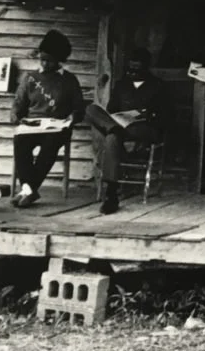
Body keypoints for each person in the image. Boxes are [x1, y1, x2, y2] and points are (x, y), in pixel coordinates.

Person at [85, 48, 168, 215]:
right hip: (120, 126)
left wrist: (147, 115)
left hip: (145, 128)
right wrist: (119, 119)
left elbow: (166, 116)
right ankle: (111, 194)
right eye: (129, 69)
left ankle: (110, 191)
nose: (132, 73)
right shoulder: (121, 85)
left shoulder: (158, 86)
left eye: (136, 70)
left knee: (112, 135)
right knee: (92, 111)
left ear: (145, 68)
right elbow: (111, 110)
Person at [11, 29, 85, 208]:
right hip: (32, 126)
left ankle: (27, 189)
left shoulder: (69, 80)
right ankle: (29, 190)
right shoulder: (30, 78)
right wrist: (16, 116)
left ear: (59, 60)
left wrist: (71, 119)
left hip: (58, 127)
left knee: (49, 145)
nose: (45, 63)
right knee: (20, 141)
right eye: (42, 59)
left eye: (49, 60)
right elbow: (18, 104)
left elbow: (79, 108)